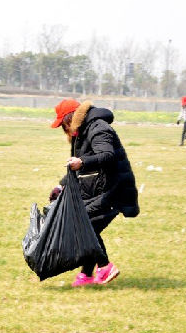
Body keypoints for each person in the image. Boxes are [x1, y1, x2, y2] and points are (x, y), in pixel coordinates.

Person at [49, 99, 140, 287]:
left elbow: (107, 155)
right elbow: (77, 167)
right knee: (88, 226)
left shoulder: (98, 127)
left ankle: (105, 266)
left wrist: (82, 162)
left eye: (63, 125)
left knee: (84, 224)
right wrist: (61, 186)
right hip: (99, 187)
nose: (64, 130)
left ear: (70, 118)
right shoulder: (81, 132)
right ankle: (86, 275)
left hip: (114, 188)